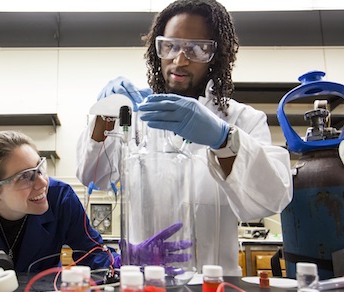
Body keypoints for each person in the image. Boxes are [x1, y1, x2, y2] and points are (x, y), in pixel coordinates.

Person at [76, 0, 293, 276]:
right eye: (171, 46)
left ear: (215, 55)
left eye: (196, 49)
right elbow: (91, 176)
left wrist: (223, 139)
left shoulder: (241, 120)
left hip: (216, 286)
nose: (180, 60)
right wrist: (104, 116)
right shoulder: (137, 116)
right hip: (146, 282)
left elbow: (272, 198)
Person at [0, 130, 117, 272]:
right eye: (25, 177)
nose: (42, 183)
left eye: (40, 168)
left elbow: (93, 253)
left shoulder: (61, 197)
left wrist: (126, 270)